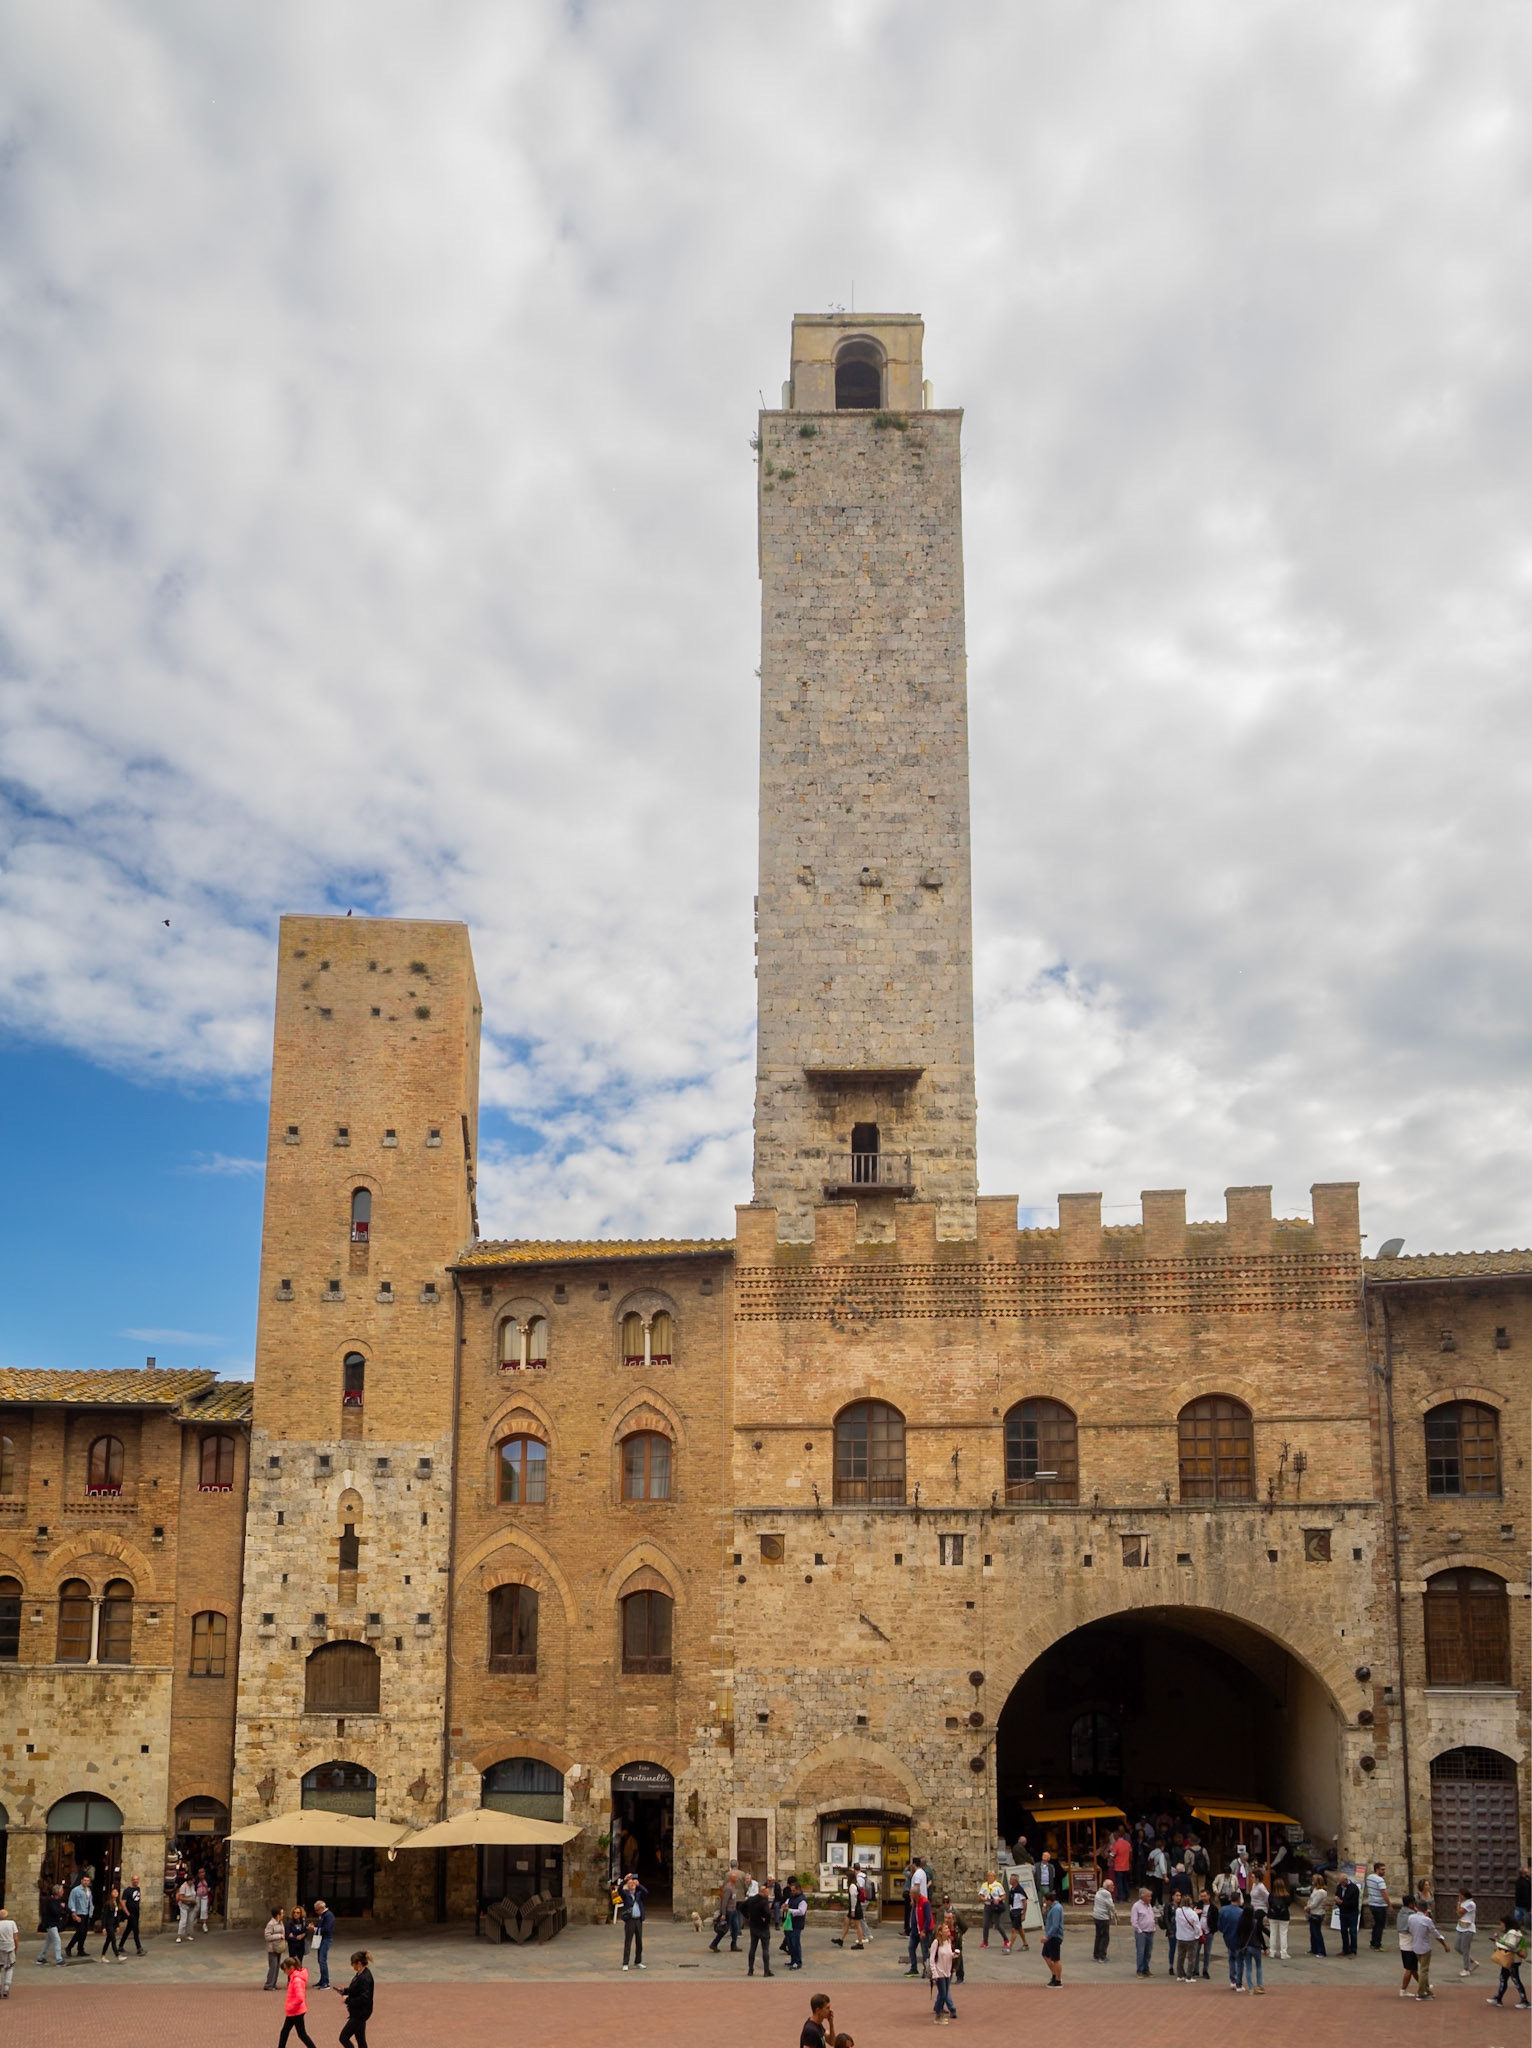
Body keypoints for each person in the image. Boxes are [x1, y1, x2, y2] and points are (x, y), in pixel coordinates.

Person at [1400, 1892, 1448, 2001]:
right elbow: (1436, 1934)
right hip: (1425, 1947)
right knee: (1424, 1971)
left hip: (1415, 1946)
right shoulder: (1427, 1920)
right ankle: (1421, 1992)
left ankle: (1427, 1990)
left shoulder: (1411, 1918)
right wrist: (1444, 1945)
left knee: (1422, 1969)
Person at [1487, 1912, 1529, 2007]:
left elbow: (1511, 1946)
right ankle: (1499, 1998)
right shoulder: (1514, 1933)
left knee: (1515, 1979)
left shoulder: (1513, 1933)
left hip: (1512, 1960)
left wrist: (1498, 1943)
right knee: (1503, 1978)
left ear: (1506, 1924)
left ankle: (1525, 2001)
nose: (1501, 1926)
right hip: (1511, 1960)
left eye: (1501, 1924)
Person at [335, 1949, 373, 2048]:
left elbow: (364, 1998)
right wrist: (345, 1991)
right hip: (359, 2012)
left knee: (344, 2037)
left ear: (359, 1963)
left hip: (360, 2013)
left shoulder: (365, 1978)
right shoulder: (360, 1974)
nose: (352, 1966)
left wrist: (347, 2000)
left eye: (353, 1964)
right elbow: (356, 1989)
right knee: (360, 2039)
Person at [278, 1954, 316, 2048]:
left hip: (295, 2011)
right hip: (295, 2011)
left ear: (291, 1968)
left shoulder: (296, 1980)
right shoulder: (294, 1978)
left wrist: (291, 2007)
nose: (284, 1972)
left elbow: (300, 1998)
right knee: (288, 2032)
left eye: (285, 1970)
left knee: (299, 2034)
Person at [742, 1878, 773, 1976]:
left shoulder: (751, 1900)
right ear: (763, 1892)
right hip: (763, 1927)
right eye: (767, 1892)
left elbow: (741, 1906)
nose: (768, 1894)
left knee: (752, 1948)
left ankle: (750, 1970)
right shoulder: (764, 1902)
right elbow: (768, 1913)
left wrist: (747, 1916)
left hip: (753, 1926)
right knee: (765, 1949)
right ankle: (766, 1971)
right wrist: (766, 1920)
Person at [929, 1914, 957, 2021]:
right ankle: (938, 2014)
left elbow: (949, 1954)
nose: (948, 1930)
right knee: (943, 1994)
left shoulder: (949, 1942)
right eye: (945, 1929)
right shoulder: (936, 1942)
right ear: (940, 1932)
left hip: (947, 1971)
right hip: (939, 1972)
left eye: (948, 1928)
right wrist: (934, 1973)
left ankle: (938, 2011)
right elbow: (932, 1958)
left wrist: (954, 1955)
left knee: (943, 1994)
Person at [708, 1867, 741, 1953]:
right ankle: (714, 1944)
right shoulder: (728, 1888)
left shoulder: (733, 1887)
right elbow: (724, 1901)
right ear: (732, 1879)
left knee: (736, 1928)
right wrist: (723, 1914)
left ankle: (734, 1945)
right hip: (729, 1911)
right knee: (724, 1929)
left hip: (734, 1910)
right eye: (736, 1877)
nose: (737, 1879)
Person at [618, 1872, 647, 1970]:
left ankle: (638, 1961)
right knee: (628, 1941)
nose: (632, 1885)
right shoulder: (626, 1895)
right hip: (630, 1920)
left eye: (633, 1883)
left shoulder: (639, 1894)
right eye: (629, 1884)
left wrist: (639, 1885)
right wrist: (624, 1880)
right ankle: (625, 1963)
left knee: (639, 1942)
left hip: (638, 1920)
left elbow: (646, 1892)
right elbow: (619, 1890)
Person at [905, 1884, 933, 1977]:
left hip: (923, 1931)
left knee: (925, 1950)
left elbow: (928, 1918)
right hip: (915, 1930)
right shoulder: (915, 1902)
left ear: (916, 1894)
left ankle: (927, 1969)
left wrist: (924, 1930)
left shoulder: (925, 1902)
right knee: (911, 1948)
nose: (909, 1895)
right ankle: (914, 1968)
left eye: (911, 1893)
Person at [35, 1885, 66, 1966]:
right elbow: (55, 1911)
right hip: (50, 1924)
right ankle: (59, 1959)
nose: (63, 1892)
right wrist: (61, 1907)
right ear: (58, 1892)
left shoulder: (58, 1900)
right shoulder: (50, 1901)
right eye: (62, 1890)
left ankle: (40, 1958)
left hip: (54, 1923)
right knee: (57, 1940)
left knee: (48, 1942)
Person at [1173, 1895, 1202, 1979]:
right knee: (1191, 1958)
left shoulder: (1178, 1911)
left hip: (1180, 1937)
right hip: (1191, 1938)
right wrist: (1198, 1935)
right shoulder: (1193, 1914)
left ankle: (1180, 1975)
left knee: (1180, 1957)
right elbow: (1197, 1927)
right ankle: (1189, 1976)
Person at [1218, 1891, 1243, 1986]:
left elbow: (1220, 1925)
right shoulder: (1241, 1912)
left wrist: (1223, 1930)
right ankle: (1238, 1982)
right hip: (1238, 1939)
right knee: (1239, 1961)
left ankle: (1232, 1979)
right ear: (1238, 1899)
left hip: (1227, 1937)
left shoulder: (1224, 1910)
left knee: (1231, 1958)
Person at [1129, 1887, 1155, 1975]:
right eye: (1148, 1896)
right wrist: (1139, 1930)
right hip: (1142, 1933)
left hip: (1150, 1932)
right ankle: (1139, 1970)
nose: (1150, 1898)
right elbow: (1134, 1920)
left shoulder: (1149, 1905)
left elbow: (1151, 1917)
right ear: (1143, 1897)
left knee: (1148, 1952)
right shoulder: (1136, 1906)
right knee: (1141, 1952)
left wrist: (1153, 1927)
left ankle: (1146, 1969)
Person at [979, 1871, 1008, 1949]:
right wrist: (984, 1899)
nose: (989, 1877)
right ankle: (985, 1942)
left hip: (995, 1906)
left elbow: (1004, 1896)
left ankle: (1006, 1939)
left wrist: (998, 1899)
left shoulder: (998, 1885)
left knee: (997, 1924)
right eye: (988, 1876)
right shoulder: (984, 1885)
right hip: (987, 1906)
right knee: (985, 1924)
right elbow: (980, 1895)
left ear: (994, 1877)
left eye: (991, 1876)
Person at [1365, 1862, 1390, 1950]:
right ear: (1377, 1870)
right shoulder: (1380, 1880)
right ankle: (1377, 1944)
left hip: (1372, 1903)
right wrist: (1389, 1904)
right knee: (1380, 1925)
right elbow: (1384, 1893)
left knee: (1376, 1924)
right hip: (1380, 1905)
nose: (1384, 1871)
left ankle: (1373, 1942)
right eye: (1382, 1869)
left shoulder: (1369, 1877)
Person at [98, 1886, 127, 1962]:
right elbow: (104, 1915)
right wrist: (103, 1927)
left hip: (113, 1923)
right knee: (113, 1940)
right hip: (108, 1923)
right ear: (111, 1894)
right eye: (114, 1892)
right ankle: (118, 1955)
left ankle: (102, 1955)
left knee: (108, 1940)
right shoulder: (108, 1904)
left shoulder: (117, 1903)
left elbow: (117, 1916)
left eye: (117, 1892)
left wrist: (117, 1925)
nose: (115, 1893)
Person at [1336, 1868, 1360, 1956]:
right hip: (1343, 1912)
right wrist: (1337, 1900)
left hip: (1352, 1912)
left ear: (1346, 1880)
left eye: (1342, 1882)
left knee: (1353, 1931)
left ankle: (1353, 1950)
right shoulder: (1339, 1887)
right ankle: (1345, 1949)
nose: (1341, 1884)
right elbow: (1337, 1895)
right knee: (1343, 1931)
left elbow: (1354, 1903)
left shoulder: (1354, 1888)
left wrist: (1342, 1902)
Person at [311, 1898, 334, 1990]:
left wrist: (315, 1929)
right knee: (320, 1960)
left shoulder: (328, 1916)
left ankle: (326, 1982)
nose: (316, 1912)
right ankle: (322, 1980)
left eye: (317, 1910)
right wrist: (315, 1926)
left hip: (326, 1939)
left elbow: (327, 1929)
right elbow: (320, 1925)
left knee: (322, 1960)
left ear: (321, 1908)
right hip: (322, 1939)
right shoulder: (323, 1915)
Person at [1041, 1892, 1064, 1987]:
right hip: (1050, 1936)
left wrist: (1047, 1936)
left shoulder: (1056, 1909)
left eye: (1045, 1901)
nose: (1044, 1903)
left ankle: (1058, 1980)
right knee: (1045, 1955)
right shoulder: (1051, 1907)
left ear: (1049, 1900)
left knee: (1055, 1958)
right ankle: (1054, 1974)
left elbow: (1055, 1925)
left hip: (1054, 1936)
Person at [1455, 1884, 1478, 1975]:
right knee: (1457, 1947)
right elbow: (1458, 1914)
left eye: (1460, 1895)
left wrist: (1458, 1904)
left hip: (1468, 1929)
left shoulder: (1470, 1904)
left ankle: (1466, 1968)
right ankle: (1471, 1961)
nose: (1459, 1897)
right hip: (1460, 1927)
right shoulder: (1464, 1903)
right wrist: (1459, 1906)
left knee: (1465, 1948)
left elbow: (1460, 1911)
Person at [784, 1880, 808, 1969]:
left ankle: (798, 1962)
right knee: (790, 1943)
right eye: (792, 1891)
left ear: (798, 1890)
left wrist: (789, 1910)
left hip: (797, 1924)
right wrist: (785, 1905)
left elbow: (801, 1912)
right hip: (790, 1923)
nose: (792, 1892)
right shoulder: (792, 1897)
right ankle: (793, 1960)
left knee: (795, 1943)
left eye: (794, 1891)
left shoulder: (802, 1900)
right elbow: (787, 1902)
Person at [1267, 1875, 1291, 1960]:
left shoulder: (1271, 1895)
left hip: (1273, 1915)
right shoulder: (1286, 1895)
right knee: (1283, 1934)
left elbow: (1269, 1903)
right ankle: (1283, 1953)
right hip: (1284, 1916)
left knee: (1273, 1933)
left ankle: (1272, 1952)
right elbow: (1288, 1904)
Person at [1091, 1876, 1115, 1961]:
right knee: (1105, 1937)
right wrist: (1114, 1914)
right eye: (1112, 1885)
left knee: (1098, 1936)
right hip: (1103, 1918)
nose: (1113, 1887)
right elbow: (1111, 1906)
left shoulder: (1099, 1892)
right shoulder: (1107, 1894)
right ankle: (1102, 1956)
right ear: (1108, 1887)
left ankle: (1096, 1954)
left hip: (1096, 1916)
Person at [1007, 1866, 1030, 1950]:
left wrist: (1023, 1913)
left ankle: (1010, 1946)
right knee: (1019, 1928)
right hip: (1013, 1910)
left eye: (1011, 1879)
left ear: (1015, 1881)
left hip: (1018, 1911)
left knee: (1014, 1929)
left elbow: (1024, 1902)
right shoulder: (1012, 1889)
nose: (1009, 1880)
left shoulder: (1019, 1890)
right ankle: (1025, 1944)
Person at [264, 1906, 287, 1989]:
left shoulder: (280, 1922)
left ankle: (273, 1983)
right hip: (272, 1948)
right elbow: (267, 1936)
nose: (283, 1915)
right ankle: (268, 1984)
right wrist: (279, 1936)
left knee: (276, 1966)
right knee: (273, 1967)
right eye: (282, 1913)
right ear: (277, 1915)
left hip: (278, 1947)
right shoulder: (271, 1924)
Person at [1305, 1876, 1329, 1957]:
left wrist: (1309, 1907)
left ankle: (1321, 1951)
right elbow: (1310, 1900)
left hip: (1318, 1913)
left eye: (1314, 1880)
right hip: (1312, 1913)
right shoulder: (1315, 1890)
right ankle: (1314, 1949)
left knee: (1317, 1932)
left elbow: (1315, 1903)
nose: (1312, 1881)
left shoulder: (1321, 1892)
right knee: (1312, 1932)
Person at [120, 1874, 143, 1957]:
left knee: (128, 1930)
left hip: (136, 1913)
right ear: (131, 1880)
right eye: (134, 1879)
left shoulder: (138, 1889)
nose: (135, 1881)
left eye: (137, 1879)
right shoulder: (127, 1890)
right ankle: (139, 1948)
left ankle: (120, 1946)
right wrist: (128, 1914)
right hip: (131, 1914)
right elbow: (122, 1903)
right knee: (136, 1931)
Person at [0, 1899, 17, 1999]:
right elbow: (15, 1937)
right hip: (9, 1947)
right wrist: (16, 1948)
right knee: (9, 1967)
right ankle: (6, 1988)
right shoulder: (11, 1923)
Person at [175, 1871, 198, 1942]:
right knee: (183, 1920)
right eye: (192, 1881)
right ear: (189, 1880)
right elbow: (181, 1898)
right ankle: (179, 1936)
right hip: (184, 1905)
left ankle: (188, 1934)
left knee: (190, 1920)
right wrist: (190, 1900)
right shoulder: (183, 1886)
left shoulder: (193, 1886)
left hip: (191, 1905)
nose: (193, 1882)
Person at [1148, 1841, 1167, 1905]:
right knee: (1158, 1890)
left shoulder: (1152, 1852)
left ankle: (1154, 1903)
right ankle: (1157, 1903)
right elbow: (1162, 1865)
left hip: (1151, 1873)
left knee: (1153, 1889)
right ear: (1162, 1847)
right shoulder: (1161, 1854)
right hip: (1158, 1874)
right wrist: (1165, 1875)